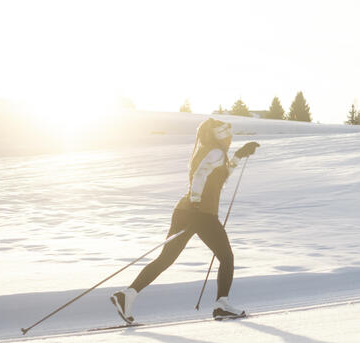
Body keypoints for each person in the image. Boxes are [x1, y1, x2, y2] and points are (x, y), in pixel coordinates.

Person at [110, 118, 259, 323]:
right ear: (220, 136)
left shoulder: (209, 151)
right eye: (227, 135)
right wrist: (197, 203)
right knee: (226, 257)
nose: (230, 139)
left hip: (185, 211)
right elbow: (200, 175)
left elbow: (220, 178)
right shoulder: (215, 152)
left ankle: (127, 295)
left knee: (166, 259)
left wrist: (238, 156)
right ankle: (222, 305)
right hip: (201, 214)